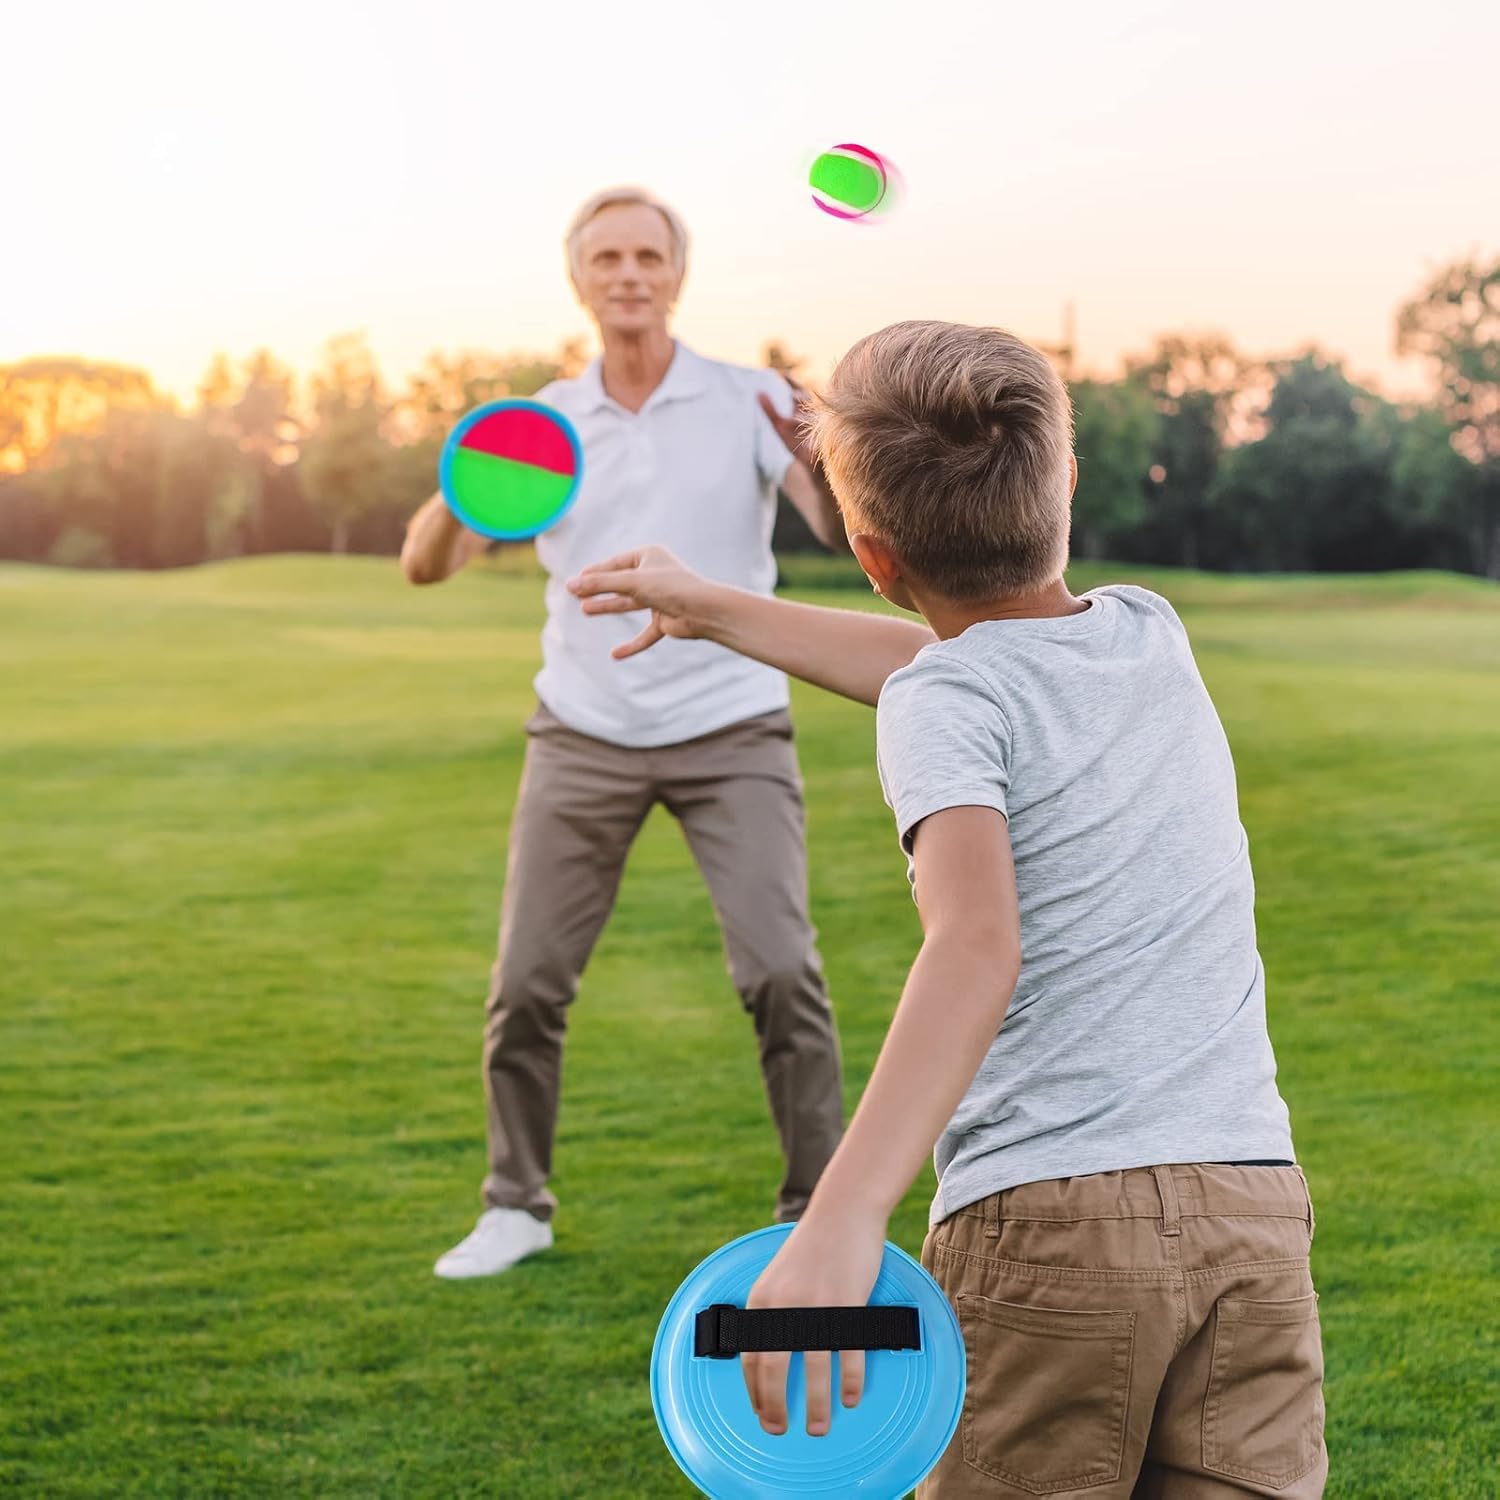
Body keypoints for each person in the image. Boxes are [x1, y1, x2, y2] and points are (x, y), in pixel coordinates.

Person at [569, 320, 1326, 1497]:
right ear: (1065, 484)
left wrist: (840, 1216)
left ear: (873, 558)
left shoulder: (947, 699)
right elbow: (942, 669)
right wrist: (711, 606)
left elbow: (975, 944)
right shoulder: (1148, 634)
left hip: (1053, 1229)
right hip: (1254, 1211)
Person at [402, 187, 849, 1280]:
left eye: (649, 255)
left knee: (781, 971)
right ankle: (516, 1205)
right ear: (580, 280)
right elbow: (425, 563)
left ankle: (819, 1215)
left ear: (677, 274)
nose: (630, 274)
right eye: (607, 258)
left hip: (732, 723)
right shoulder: (545, 423)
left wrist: (829, 454)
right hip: (583, 730)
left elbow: (844, 532)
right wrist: (466, 480)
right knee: (527, 985)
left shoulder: (751, 399)